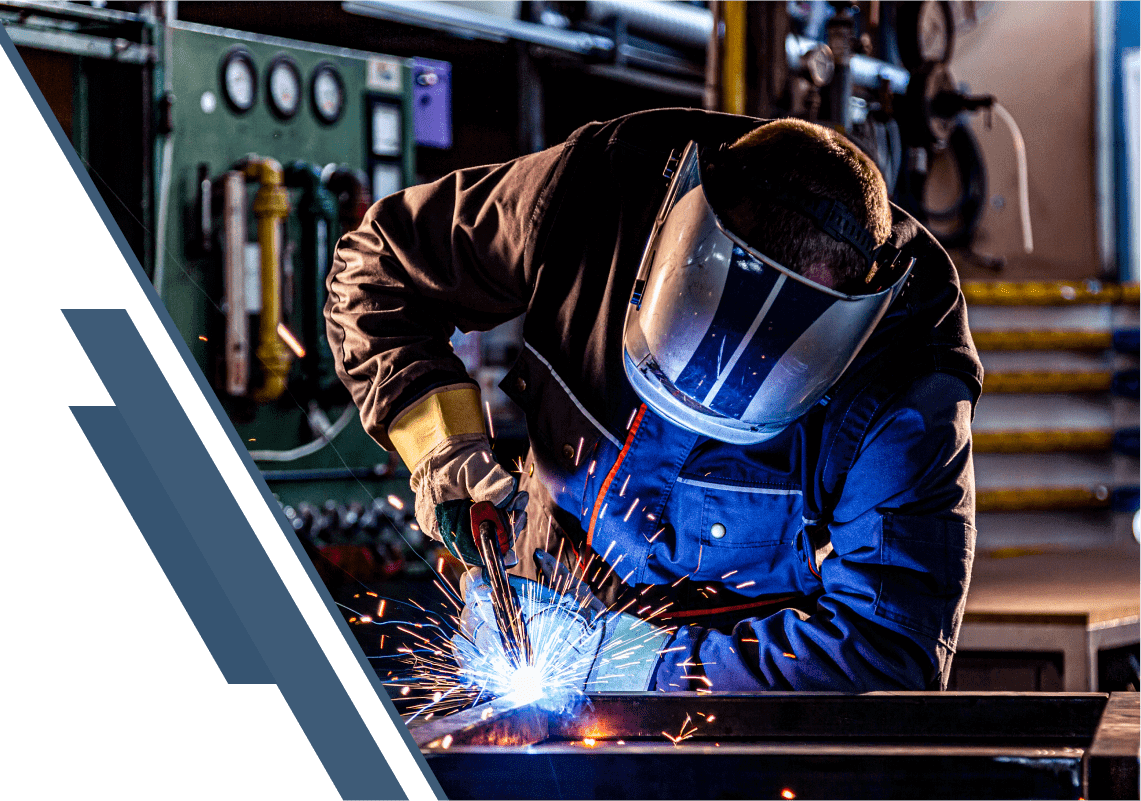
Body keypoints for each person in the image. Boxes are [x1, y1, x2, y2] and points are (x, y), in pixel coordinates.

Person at [325, 109, 982, 693]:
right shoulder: (594, 200)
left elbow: (890, 650)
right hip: (538, 640)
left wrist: (641, 664)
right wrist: (444, 445)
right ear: (673, 238)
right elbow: (379, 270)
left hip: (738, 734)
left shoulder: (907, 372)